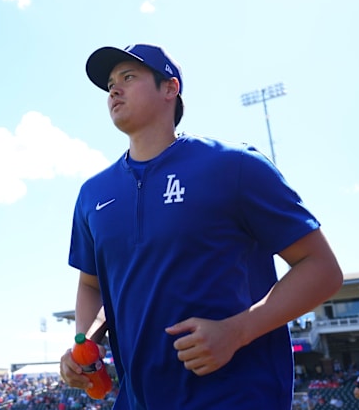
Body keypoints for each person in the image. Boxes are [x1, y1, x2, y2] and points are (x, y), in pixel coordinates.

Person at [59, 43, 343, 409]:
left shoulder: (234, 166)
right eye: (111, 83)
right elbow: (90, 284)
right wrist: (87, 342)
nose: (114, 89)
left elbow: (322, 269)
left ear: (170, 88)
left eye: (128, 77)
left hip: (237, 398)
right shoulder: (92, 193)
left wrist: (236, 331)